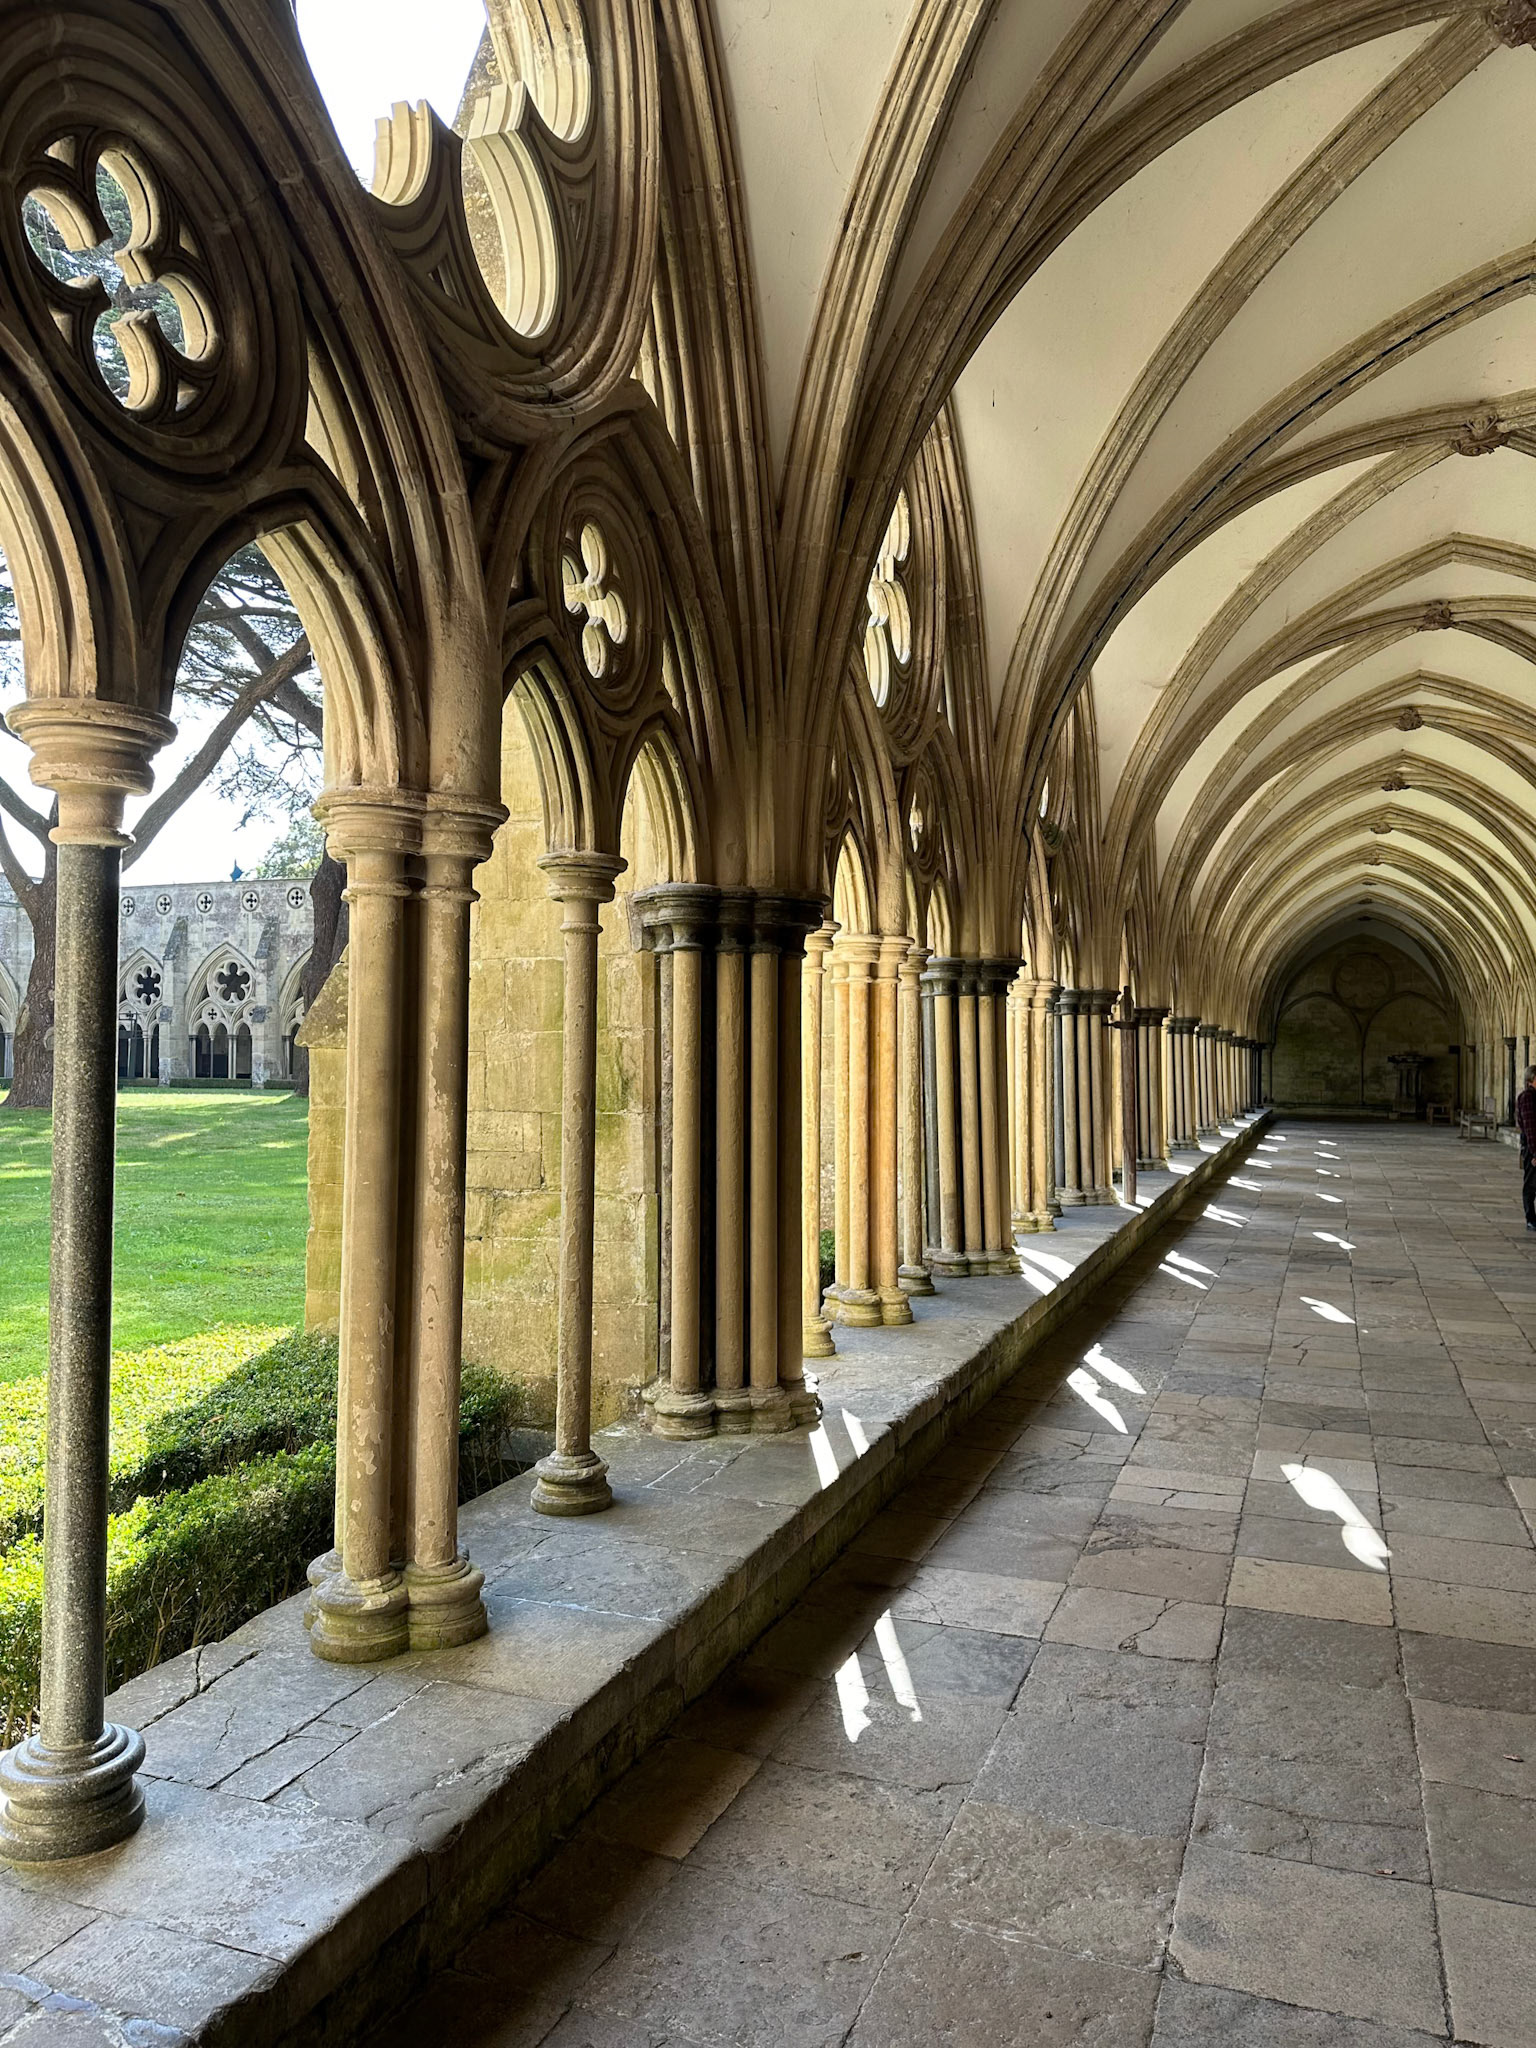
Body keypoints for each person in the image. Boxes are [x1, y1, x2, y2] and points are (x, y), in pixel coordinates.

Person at [1518, 1065, 1536, 1232]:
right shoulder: (1527, 1098)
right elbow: (1530, 1127)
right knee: (1531, 1183)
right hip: (1532, 1147)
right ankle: (1531, 1218)